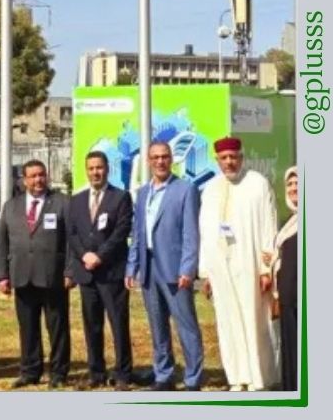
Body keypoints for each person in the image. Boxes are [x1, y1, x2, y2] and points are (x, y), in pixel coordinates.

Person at [199, 137, 279, 391]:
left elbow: (269, 225)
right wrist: (206, 271)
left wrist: (267, 268)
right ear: (217, 161)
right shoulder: (210, 190)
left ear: (241, 158)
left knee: (254, 319)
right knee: (228, 321)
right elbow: (205, 232)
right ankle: (237, 377)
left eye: (233, 157)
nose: (229, 162)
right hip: (221, 267)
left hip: (250, 263)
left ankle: (259, 377)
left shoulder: (258, 184)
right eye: (224, 158)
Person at [126, 141, 203, 391]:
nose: (160, 161)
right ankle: (164, 375)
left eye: (165, 157)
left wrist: (187, 269)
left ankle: (192, 379)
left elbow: (191, 233)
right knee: (158, 326)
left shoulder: (185, 189)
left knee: (186, 326)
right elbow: (138, 233)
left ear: (171, 159)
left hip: (175, 269)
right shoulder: (143, 193)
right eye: (155, 157)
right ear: (149, 161)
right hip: (149, 268)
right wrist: (132, 266)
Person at [0, 160, 72, 388]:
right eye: (33, 176)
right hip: (22, 275)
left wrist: (70, 271)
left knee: (57, 327)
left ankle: (58, 373)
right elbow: (2, 243)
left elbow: (71, 241)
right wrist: (2, 275)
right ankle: (30, 370)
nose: (38, 180)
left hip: (52, 276)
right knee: (28, 328)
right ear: (24, 180)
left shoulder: (62, 203)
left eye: (41, 175)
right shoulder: (11, 206)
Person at [66, 151, 134, 390]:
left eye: (99, 167)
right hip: (87, 274)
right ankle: (96, 373)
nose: (95, 172)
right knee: (92, 325)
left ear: (107, 169)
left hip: (111, 273)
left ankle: (123, 373)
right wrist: (84, 255)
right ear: (86, 171)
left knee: (118, 324)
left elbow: (121, 231)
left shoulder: (121, 197)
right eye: (91, 168)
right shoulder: (76, 200)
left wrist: (100, 256)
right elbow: (72, 233)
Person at [268, 167, 298, 392]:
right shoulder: (291, 221)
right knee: (291, 349)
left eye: (298, 183)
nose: (294, 188)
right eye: (290, 184)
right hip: (288, 299)